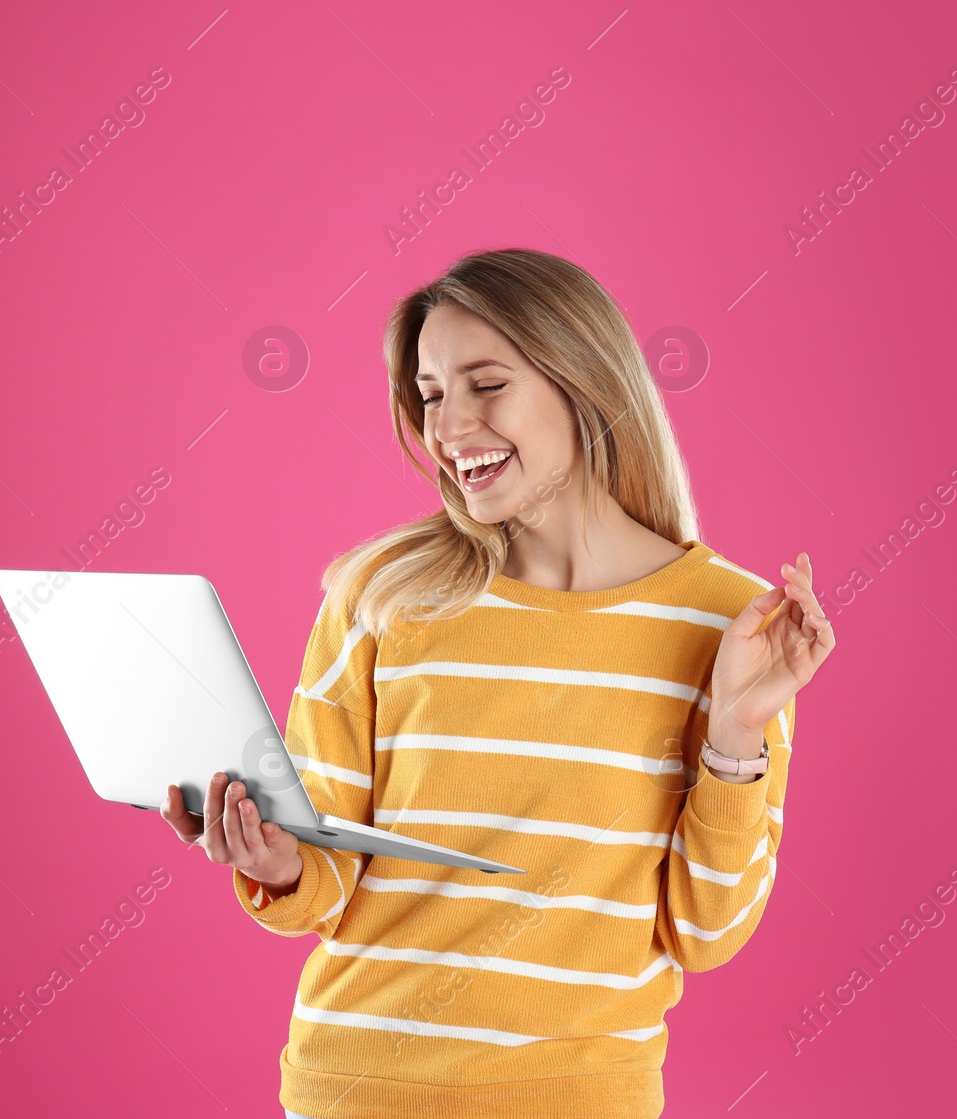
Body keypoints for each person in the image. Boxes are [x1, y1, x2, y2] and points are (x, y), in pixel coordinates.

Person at [160, 248, 836, 1118]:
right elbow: (328, 867)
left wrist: (737, 733)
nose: (449, 428)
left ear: (583, 379)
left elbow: (704, 932)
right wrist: (278, 859)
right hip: (356, 1088)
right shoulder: (383, 595)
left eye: (486, 383)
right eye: (432, 395)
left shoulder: (732, 623)